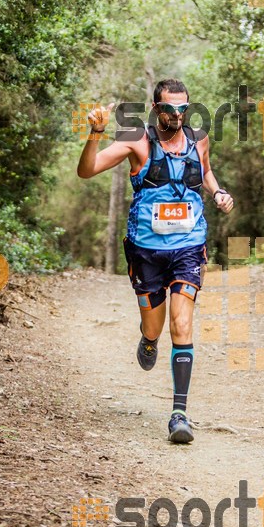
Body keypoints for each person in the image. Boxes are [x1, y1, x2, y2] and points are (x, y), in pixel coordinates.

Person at [77, 78, 233, 443]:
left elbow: (206, 171)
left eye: (183, 108)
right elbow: (87, 171)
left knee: (182, 323)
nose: (177, 115)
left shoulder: (198, 139)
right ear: (155, 108)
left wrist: (219, 191)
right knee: (154, 326)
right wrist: (95, 135)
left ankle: (179, 414)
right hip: (146, 251)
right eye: (169, 109)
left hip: (189, 246)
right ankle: (148, 340)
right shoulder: (136, 139)